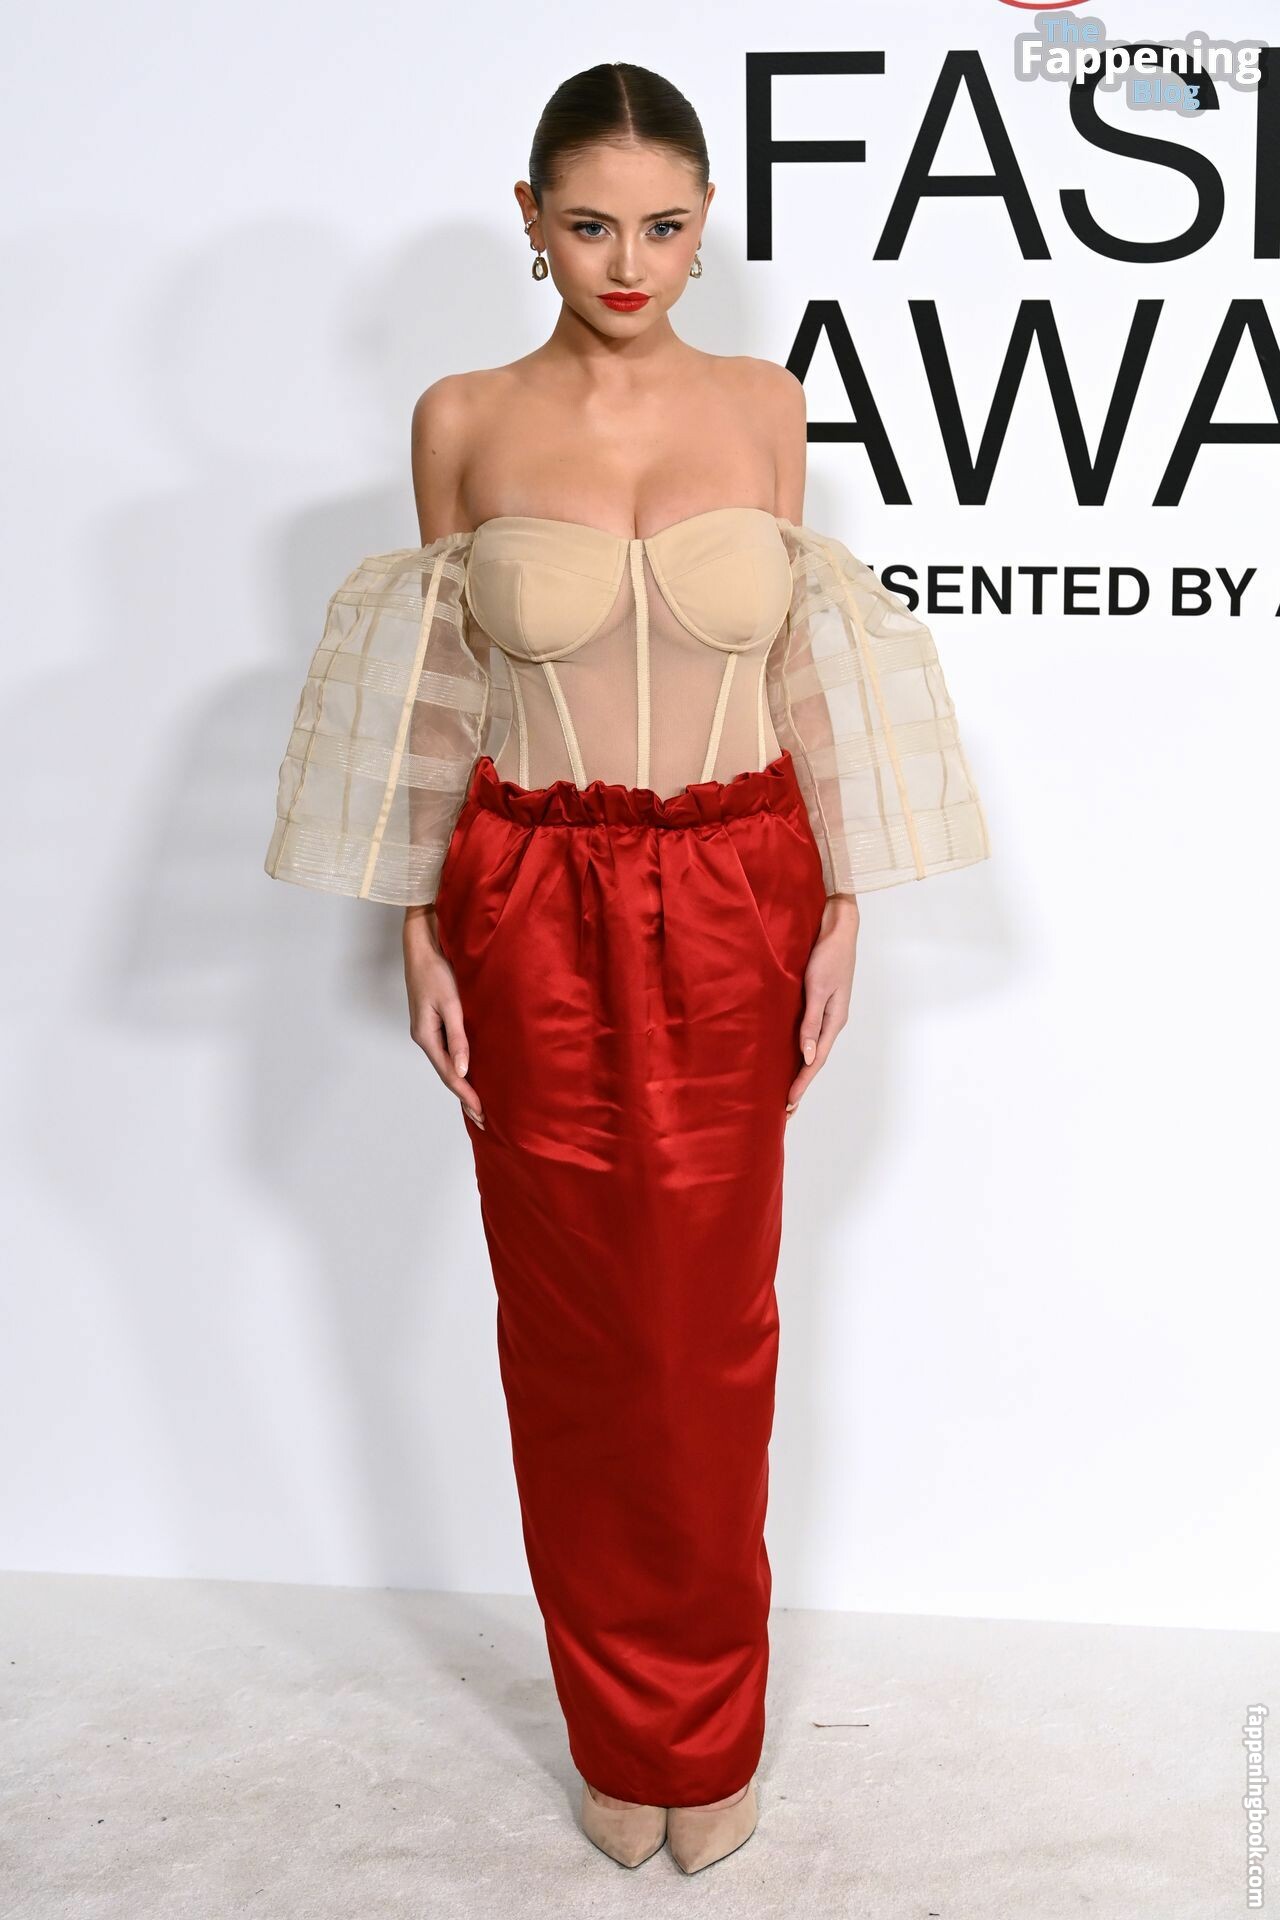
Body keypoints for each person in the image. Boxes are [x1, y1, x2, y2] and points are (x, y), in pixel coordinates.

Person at [264, 62, 991, 1877]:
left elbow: (804, 667)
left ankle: (710, 1731)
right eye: (590, 224)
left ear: (704, 224)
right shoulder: (463, 418)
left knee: (714, 1327)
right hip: (529, 896)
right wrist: (416, 924)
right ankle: (621, 1732)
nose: (628, 261)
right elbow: (436, 689)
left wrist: (844, 907)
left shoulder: (765, 407)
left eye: (664, 225)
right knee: (577, 1328)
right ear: (530, 221)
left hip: (743, 882)